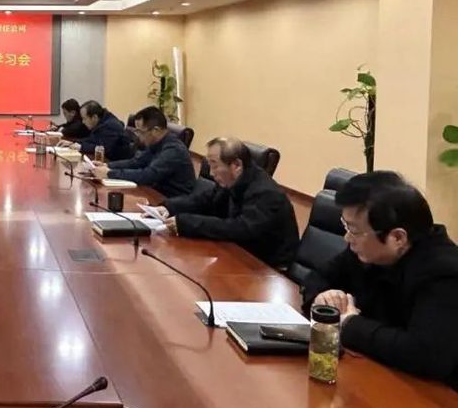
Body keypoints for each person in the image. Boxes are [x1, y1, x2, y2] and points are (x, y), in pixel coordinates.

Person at [303, 172, 458, 389]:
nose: (347, 238)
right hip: (375, 372)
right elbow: (317, 276)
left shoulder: (444, 273)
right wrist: (323, 297)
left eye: (354, 230)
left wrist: (349, 324)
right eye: (346, 226)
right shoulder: (369, 250)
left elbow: (425, 354)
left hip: (432, 395)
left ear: (397, 238)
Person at [153, 137, 298, 269]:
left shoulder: (266, 193)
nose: (211, 173)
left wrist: (187, 223)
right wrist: (168, 207)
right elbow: (205, 200)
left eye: (215, 166)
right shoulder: (234, 180)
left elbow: (239, 229)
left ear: (236, 165)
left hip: (268, 269)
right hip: (240, 253)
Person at [92, 106, 195, 196]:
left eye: (140, 132)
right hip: (155, 192)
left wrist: (110, 174)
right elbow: (136, 162)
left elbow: (148, 175)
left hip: (173, 201)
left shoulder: (173, 150)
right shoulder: (156, 143)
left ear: (155, 130)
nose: (138, 137)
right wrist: (107, 166)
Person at [68, 100, 136, 161]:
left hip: (117, 162)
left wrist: (81, 147)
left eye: (84, 118)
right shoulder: (101, 122)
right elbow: (92, 140)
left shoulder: (110, 125)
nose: (83, 122)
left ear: (94, 117)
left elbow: (103, 148)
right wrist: (73, 142)